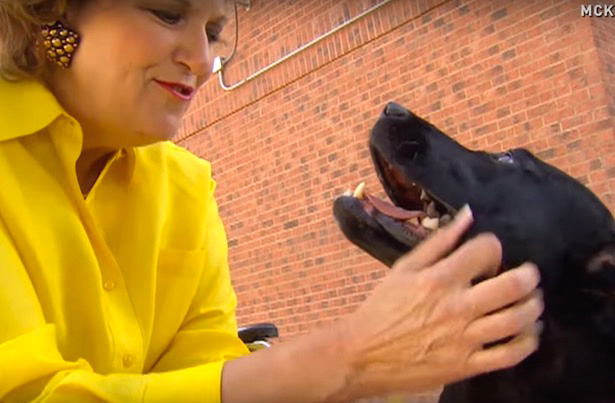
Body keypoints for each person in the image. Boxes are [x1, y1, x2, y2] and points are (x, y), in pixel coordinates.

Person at [0, 1, 544, 402]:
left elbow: (207, 372)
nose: (203, 60)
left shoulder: (184, 188)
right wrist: (348, 359)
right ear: (54, 12)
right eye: (167, 13)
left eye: (214, 31)